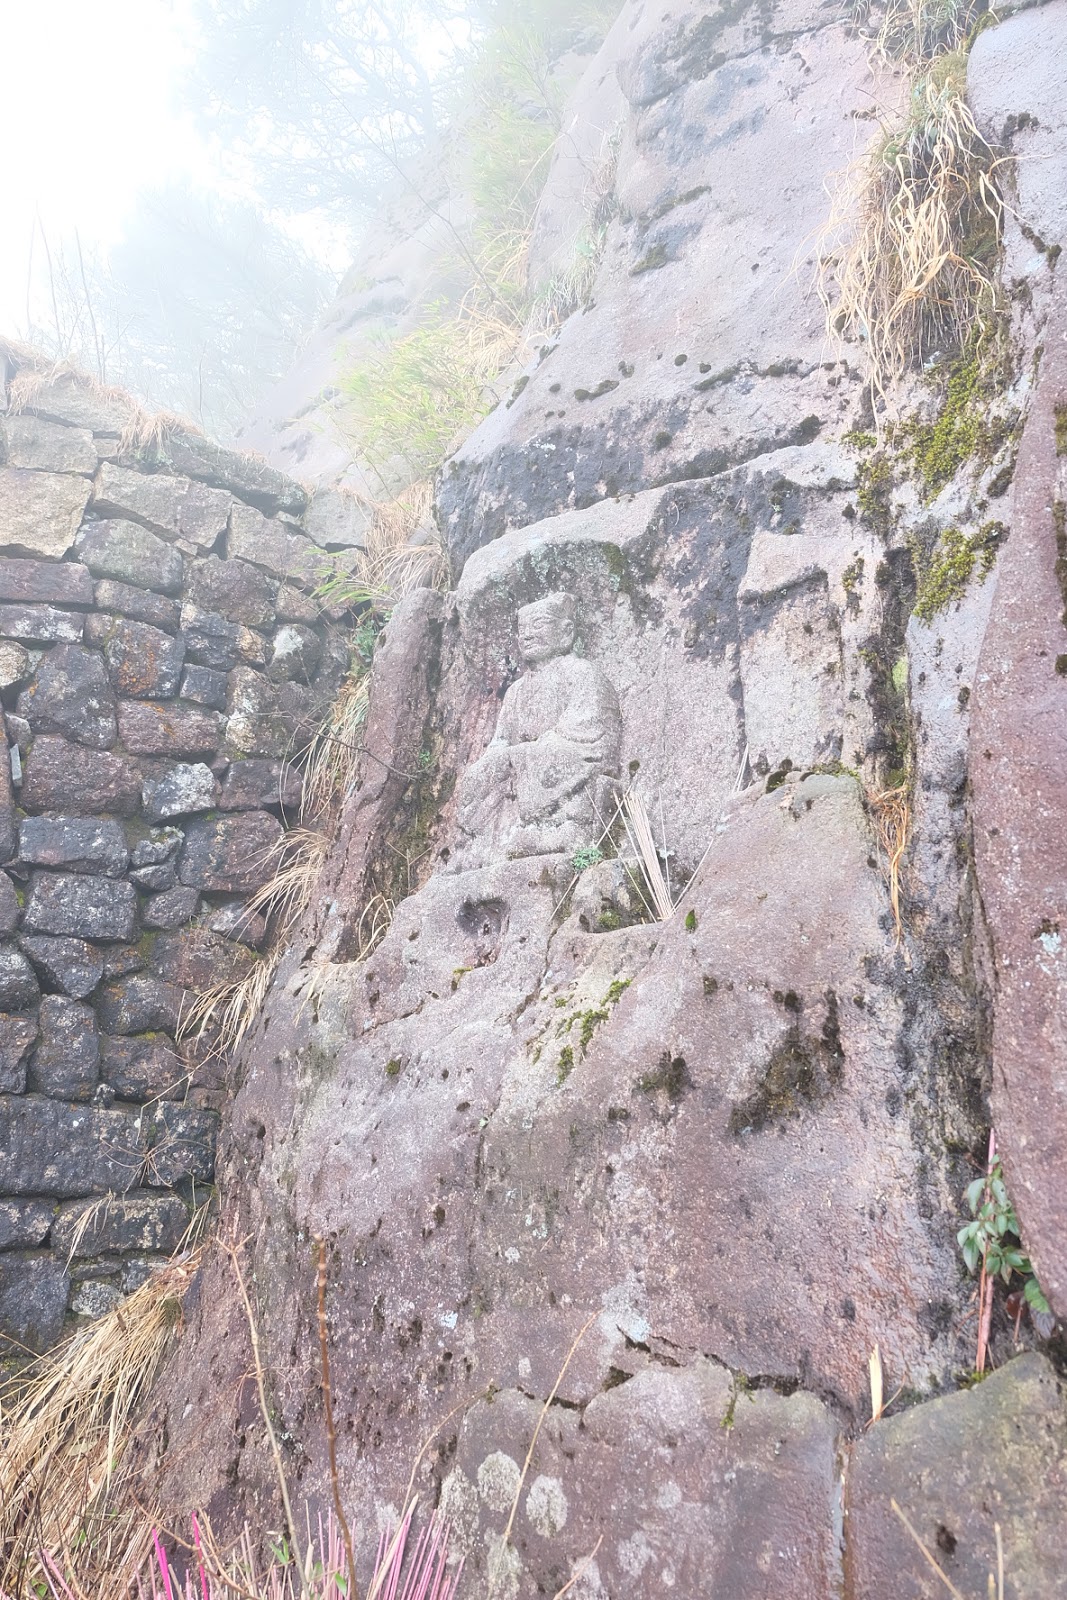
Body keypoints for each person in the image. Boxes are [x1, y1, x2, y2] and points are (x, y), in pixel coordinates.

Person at [456, 591, 621, 863]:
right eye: (523, 630)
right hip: (526, 759)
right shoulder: (516, 691)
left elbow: (590, 734)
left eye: (538, 625)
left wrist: (525, 754)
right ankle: (480, 848)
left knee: (552, 761)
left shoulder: (581, 673)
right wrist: (497, 759)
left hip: (570, 754)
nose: (527, 636)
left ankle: (558, 831)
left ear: (566, 632)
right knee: (478, 774)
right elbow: (500, 740)